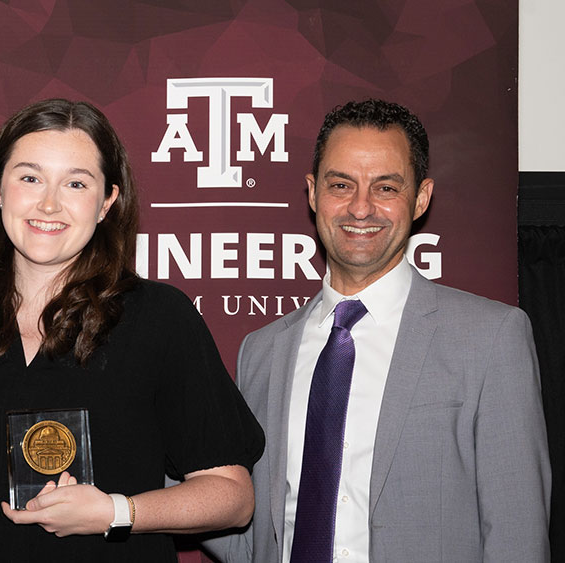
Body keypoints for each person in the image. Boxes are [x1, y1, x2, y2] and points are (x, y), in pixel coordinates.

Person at [0, 99, 264, 562]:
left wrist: (117, 512)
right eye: (30, 177)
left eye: (76, 183)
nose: (49, 203)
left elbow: (232, 498)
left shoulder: (159, 319)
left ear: (107, 202)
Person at [203, 99, 551, 562]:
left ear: (421, 197)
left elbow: (518, 535)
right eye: (341, 184)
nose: (360, 207)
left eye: (385, 187)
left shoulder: (491, 338)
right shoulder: (262, 351)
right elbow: (251, 541)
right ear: (312, 193)